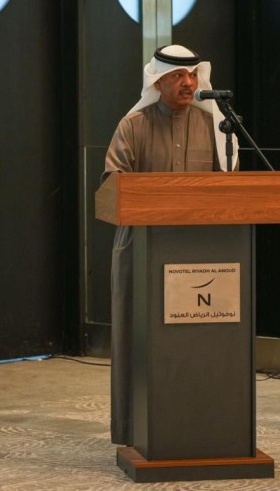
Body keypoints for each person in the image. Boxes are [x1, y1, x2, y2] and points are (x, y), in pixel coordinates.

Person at [101, 44, 238, 445]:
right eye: (178, 76)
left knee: (199, 341)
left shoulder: (215, 126)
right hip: (141, 249)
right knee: (138, 337)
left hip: (202, 253)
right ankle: (135, 427)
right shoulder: (134, 126)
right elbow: (113, 183)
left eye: (192, 75)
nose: (188, 83)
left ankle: (202, 424)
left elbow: (230, 188)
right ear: (157, 82)